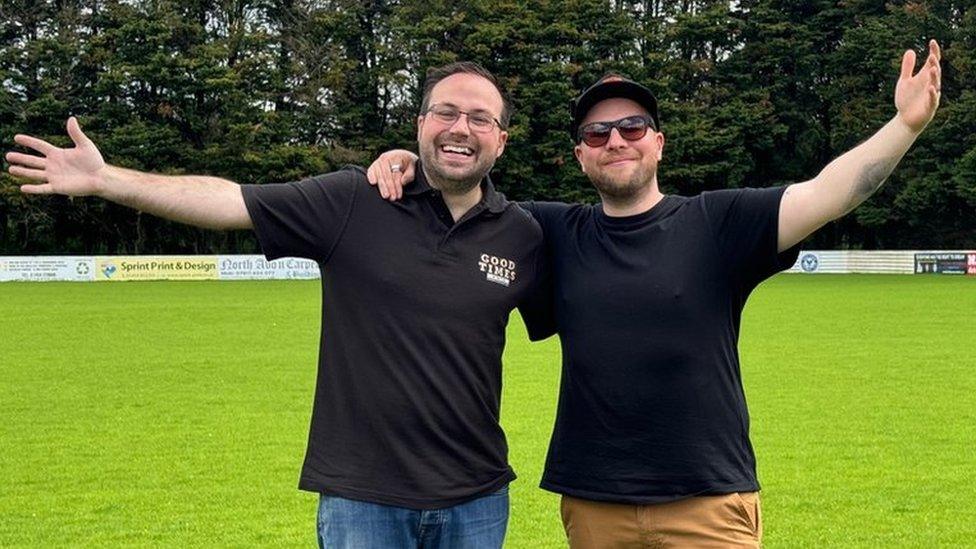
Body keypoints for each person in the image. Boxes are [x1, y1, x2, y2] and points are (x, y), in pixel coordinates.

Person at [368, 40, 942, 547]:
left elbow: (829, 193)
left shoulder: (719, 223)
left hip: (708, 502)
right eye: (597, 132)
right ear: (580, 155)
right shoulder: (549, 231)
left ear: (659, 142)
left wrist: (905, 126)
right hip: (594, 506)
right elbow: (466, 197)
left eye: (632, 127)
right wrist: (412, 163)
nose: (615, 140)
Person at [5, 61, 554, 549]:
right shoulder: (353, 201)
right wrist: (106, 180)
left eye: (480, 118)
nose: (461, 128)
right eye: (447, 112)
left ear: (501, 140)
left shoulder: (522, 235)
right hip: (364, 499)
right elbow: (229, 201)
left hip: (478, 499)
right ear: (420, 125)